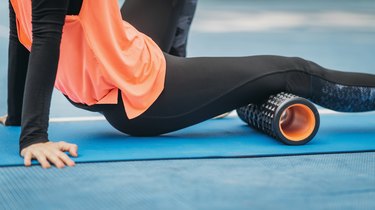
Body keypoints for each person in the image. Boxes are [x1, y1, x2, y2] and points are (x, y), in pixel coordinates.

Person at [2, 0, 375, 169]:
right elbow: (43, 37)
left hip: (120, 61)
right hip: (142, 98)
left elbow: (22, 33)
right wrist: (34, 136)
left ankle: (187, 70)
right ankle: (189, 85)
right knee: (293, 70)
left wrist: (17, 114)